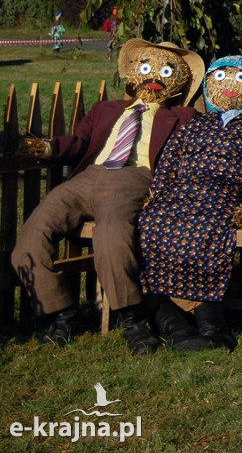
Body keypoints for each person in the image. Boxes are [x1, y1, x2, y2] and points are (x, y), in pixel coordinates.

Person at [12, 39, 204, 354]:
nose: (154, 75)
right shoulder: (107, 109)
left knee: (112, 236)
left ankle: (132, 319)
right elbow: (79, 141)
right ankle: (59, 312)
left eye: (165, 71)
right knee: (32, 234)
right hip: (89, 175)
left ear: (178, 79)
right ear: (134, 72)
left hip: (134, 177)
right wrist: (49, 148)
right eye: (147, 67)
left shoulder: (183, 117)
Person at [137, 55, 242, 351]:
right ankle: (180, 322)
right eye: (220, 78)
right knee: (151, 223)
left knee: (206, 229)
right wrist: (160, 194)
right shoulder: (193, 127)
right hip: (181, 196)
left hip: (225, 198)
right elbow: (169, 164)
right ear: (209, 86)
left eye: (240, 78)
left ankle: (205, 323)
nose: (230, 86)